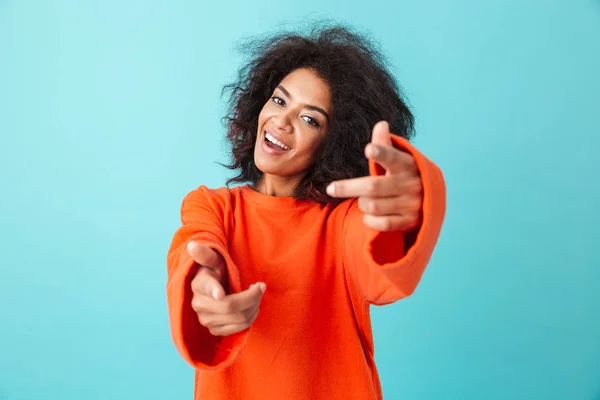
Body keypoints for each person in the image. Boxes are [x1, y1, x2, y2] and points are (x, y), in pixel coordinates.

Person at [166, 24, 446, 400]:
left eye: (309, 119)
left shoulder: (345, 222)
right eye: (280, 101)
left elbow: (384, 269)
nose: (281, 122)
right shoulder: (212, 206)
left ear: (334, 144)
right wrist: (205, 287)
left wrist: (410, 211)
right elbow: (196, 250)